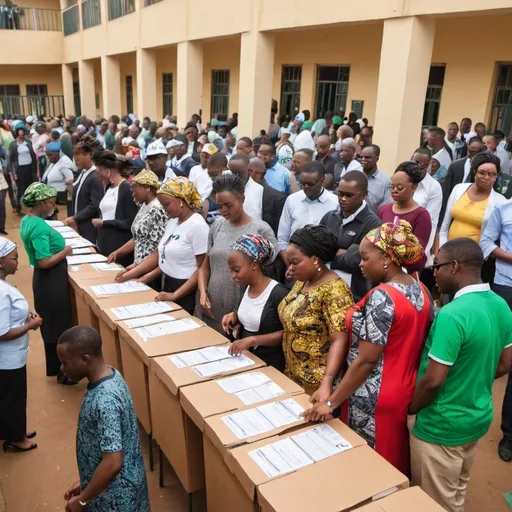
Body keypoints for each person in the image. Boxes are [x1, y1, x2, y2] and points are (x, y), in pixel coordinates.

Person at [304, 221, 431, 476]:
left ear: (386, 258)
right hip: (404, 387)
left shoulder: (382, 296)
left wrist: (331, 400)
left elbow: (366, 360)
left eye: (365, 258)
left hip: (372, 394)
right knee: (391, 460)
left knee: (367, 467)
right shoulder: (420, 288)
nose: (359, 264)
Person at [409, 238, 512, 512]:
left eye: (438, 266)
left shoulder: (452, 315)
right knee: (457, 491)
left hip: (440, 426)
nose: (434, 273)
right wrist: (470, 381)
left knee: (432, 503)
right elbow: (505, 364)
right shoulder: (501, 305)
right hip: (476, 418)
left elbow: (433, 381)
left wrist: (411, 408)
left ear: (454, 267)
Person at [58, 326, 150, 512]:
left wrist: (82, 500)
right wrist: (88, 482)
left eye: (65, 362)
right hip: (112, 487)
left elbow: (113, 462)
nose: (62, 368)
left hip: (115, 500)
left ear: (85, 359)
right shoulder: (110, 373)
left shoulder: (105, 400)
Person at [278, 224, 353, 395]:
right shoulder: (303, 281)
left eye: (295, 262)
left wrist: (327, 382)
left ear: (316, 260)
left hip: (318, 385)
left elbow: (340, 340)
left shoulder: (335, 291)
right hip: (292, 376)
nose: (290, 268)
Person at [198, 174, 277, 333]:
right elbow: (205, 266)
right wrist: (202, 292)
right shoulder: (217, 225)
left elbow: (268, 278)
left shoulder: (260, 230)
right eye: (220, 206)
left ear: (242, 199)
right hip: (211, 308)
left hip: (241, 315)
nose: (224, 211)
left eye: (228, 205)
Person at [118, 178, 208, 314]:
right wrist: (133, 275)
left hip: (186, 290)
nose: (164, 210)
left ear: (182, 200)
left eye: (166, 204)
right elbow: (159, 253)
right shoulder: (173, 222)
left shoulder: (197, 226)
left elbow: (201, 268)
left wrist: (176, 294)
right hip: (169, 283)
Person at [19, 183, 74, 384]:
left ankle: (57, 368)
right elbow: (44, 262)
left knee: (52, 325)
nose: (54, 206)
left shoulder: (28, 220)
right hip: (51, 280)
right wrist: (66, 251)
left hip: (45, 281)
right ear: (41, 203)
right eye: (51, 203)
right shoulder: (39, 227)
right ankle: (64, 371)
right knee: (59, 326)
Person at [0, 238, 42, 452]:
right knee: (12, 398)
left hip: (12, 355)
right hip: (7, 358)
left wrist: (25, 316)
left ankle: (13, 430)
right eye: (14, 259)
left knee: (11, 396)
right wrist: (30, 325)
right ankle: (15, 438)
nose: (18, 263)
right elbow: (2, 332)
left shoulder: (4, 284)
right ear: (1, 262)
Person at [224, 234, 289, 371]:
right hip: (247, 360)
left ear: (254, 265)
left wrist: (253, 340)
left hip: (271, 365)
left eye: (236, 270)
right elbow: (250, 313)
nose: (233, 276)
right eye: (231, 271)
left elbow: (289, 333)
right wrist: (234, 316)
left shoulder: (279, 293)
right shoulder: (245, 287)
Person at [480, 201, 512, 461]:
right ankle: (509, 435)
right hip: (506, 285)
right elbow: (486, 243)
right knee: (504, 357)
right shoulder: (503, 210)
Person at [321, 171, 382, 301]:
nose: (343, 199)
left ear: (364, 195)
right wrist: (346, 252)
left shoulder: (373, 224)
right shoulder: (329, 217)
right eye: (340, 193)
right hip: (324, 289)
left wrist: (330, 255)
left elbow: (361, 261)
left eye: (349, 195)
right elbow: (317, 248)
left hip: (354, 294)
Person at [278, 161, 338, 267]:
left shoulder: (335, 203)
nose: (305, 187)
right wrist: (290, 266)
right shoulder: (292, 200)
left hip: (323, 268)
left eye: (310, 184)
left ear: (323, 181)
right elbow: (282, 238)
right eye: (302, 182)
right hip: (294, 266)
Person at [439, 152, 507, 247]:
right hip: (448, 251)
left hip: (476, 257)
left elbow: (498, 236)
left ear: (496, 177)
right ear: (475, 172)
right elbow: (444, 226)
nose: (486, 177)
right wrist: (443, 247)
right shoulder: (458, 189)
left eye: (491, 174)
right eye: (482, 173)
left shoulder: (500, 201)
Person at [107, 170, 166, 273]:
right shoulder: (144, 205)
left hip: (149, 269)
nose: (133, 195)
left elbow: (158, 248)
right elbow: (138, 238)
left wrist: (137, 268)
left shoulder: (157, 210)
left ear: (147, 188)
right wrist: (118, 252)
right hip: (138, 266)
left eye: (135, 191)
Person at [378, 162, 432, 275]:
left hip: (406, 274)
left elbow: (417, 253)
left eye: (399, 187)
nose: (394, 190)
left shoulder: (421, 215)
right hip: (380, 270)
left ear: (413, 187)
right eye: (391, 186)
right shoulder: (383, 210)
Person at [92, 152, 138, 267]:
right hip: (104, 243)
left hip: (118, 246)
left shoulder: (126, 189)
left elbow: (130, 222)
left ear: (109, 171)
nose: (98, 176)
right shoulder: (108, 187)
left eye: (99, 172)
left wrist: (104, 223)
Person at [65, 136, 104, 243]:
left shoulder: (95, 176)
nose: (75, 158)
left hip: (89, 226)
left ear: (90, 155)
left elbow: (94, 205)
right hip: (79, 223)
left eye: (79, 155)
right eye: (74, 155)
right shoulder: (83, 172)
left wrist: (76, 217)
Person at [439, 137, 485, 225]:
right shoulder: (455, 166)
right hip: (454, 205)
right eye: (472, 150)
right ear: (468, 149)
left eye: (477, 151)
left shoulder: (485, 169)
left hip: (474, 209)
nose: (474, 153)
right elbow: (446, 191)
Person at [411, 148, 443, 262]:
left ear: (428, 165)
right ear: (411, 159)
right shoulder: (404, 179)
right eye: (416, 162)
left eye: (424, 165)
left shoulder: (434, 187)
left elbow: (430, 221)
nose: (419, 167)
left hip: (417, 243)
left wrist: (423, 250)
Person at [248, 157, 286, 236]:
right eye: (249, 171)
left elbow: (278, 229)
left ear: (263, 174)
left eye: (257, 172)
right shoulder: (239, 191)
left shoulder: (277, 197)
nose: (252, 175)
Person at [8, 126, 37, 214]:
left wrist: (35, 170)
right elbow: (10, 159)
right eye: (20, 133)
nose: (21, 135)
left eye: (23, 133)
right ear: (17, 134)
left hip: (29, 167)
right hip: (19, 169)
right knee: (21, 188)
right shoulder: (13, 144)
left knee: (30, 187)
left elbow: (33, 155)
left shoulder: (28, 142)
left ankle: (30, 206)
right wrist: (13, 173)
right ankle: (20, 207)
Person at [228, 153, 263, 220]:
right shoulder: (224, 187)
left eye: (241, 173)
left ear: (248, 168)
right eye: (233, 173)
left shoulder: (260, 190)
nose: (237, 177)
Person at [360, 144, 392, 213]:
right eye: (361, 157)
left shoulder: (386, 181)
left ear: (377, 159)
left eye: (367, 157)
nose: (363, 159)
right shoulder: (355, 176)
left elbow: (386, 207)